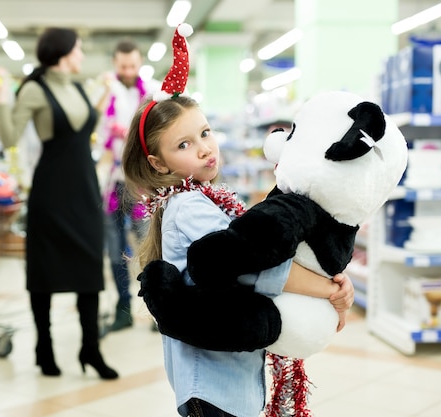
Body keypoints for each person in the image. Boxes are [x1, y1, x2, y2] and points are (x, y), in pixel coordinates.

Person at [121, 24, 353, 416]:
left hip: (225, 377)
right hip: (212, 384)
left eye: (205, 133)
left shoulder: (206, 199)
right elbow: (253, 268)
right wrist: (327, 288)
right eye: (184, 144)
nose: (204, 149)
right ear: (158, 163)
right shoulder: (188, 206)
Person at [0, 27, 118, 380]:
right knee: (44, 273)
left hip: (84, 191)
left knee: (90, 270)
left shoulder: (78, 89)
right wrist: (4, 97)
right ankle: (43, 347)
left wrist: (103, 95)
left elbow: (82, 127)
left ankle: (90, 348)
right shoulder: (35, 89)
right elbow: (9, 137)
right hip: (51, 193)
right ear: (64, 52)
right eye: (79, 49)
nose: (82, 55)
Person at [95, 38, 161, 332]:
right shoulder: (105, 91)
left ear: (139, 64)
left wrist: (133, 128)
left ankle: (159, 309)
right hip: (113, 182)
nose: (128, 70)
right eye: (123, 65)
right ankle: (122, 310)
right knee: (114, 250)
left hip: (143, 182)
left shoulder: (152, 93)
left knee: (150, 246)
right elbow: (94, 128)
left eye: (133, 65)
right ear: (115, 64)